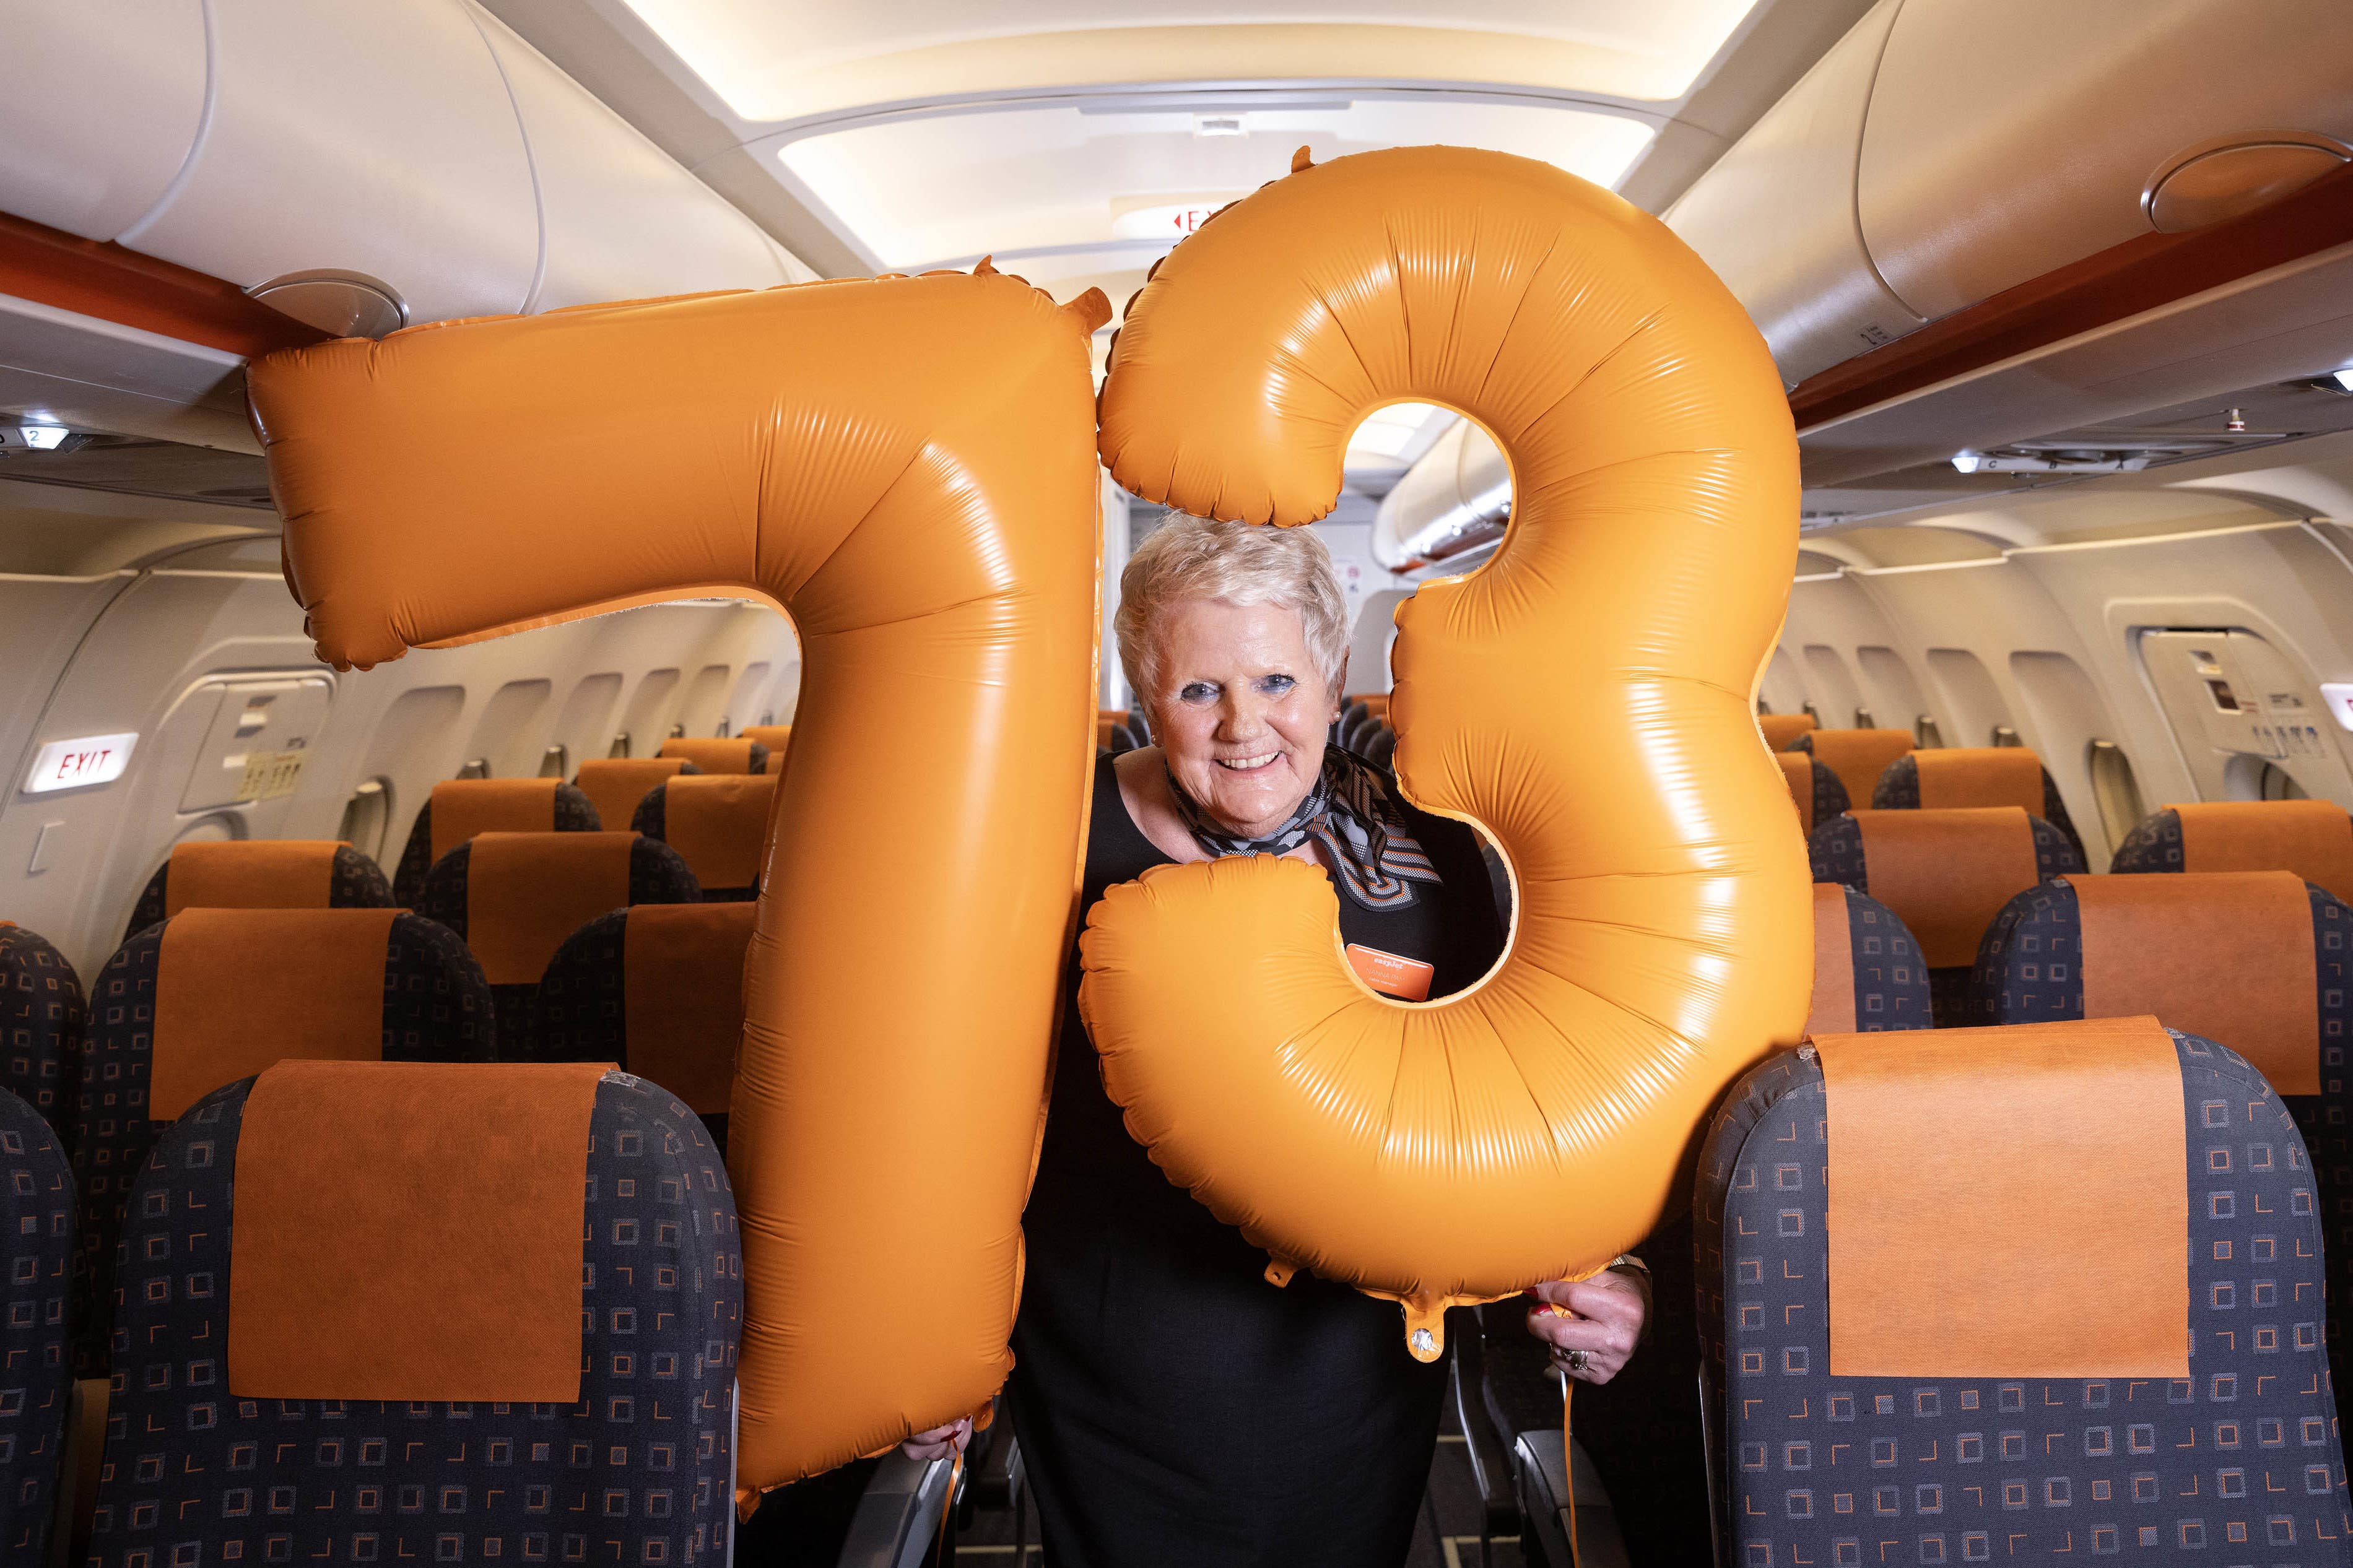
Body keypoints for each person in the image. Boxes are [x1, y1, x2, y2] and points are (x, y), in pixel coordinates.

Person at [905, 513, 1650, 1566]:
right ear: (1142, 692)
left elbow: (1519, 1081)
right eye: (1200, 689)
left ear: (1333, 675)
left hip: (1358, 1359)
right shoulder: (1056, 843)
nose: (1242, 726)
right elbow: (955, 1107)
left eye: (1277, 683)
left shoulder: (1430, 841)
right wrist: (922, 1330)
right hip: (1119, 1362)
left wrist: (1603, 1274)